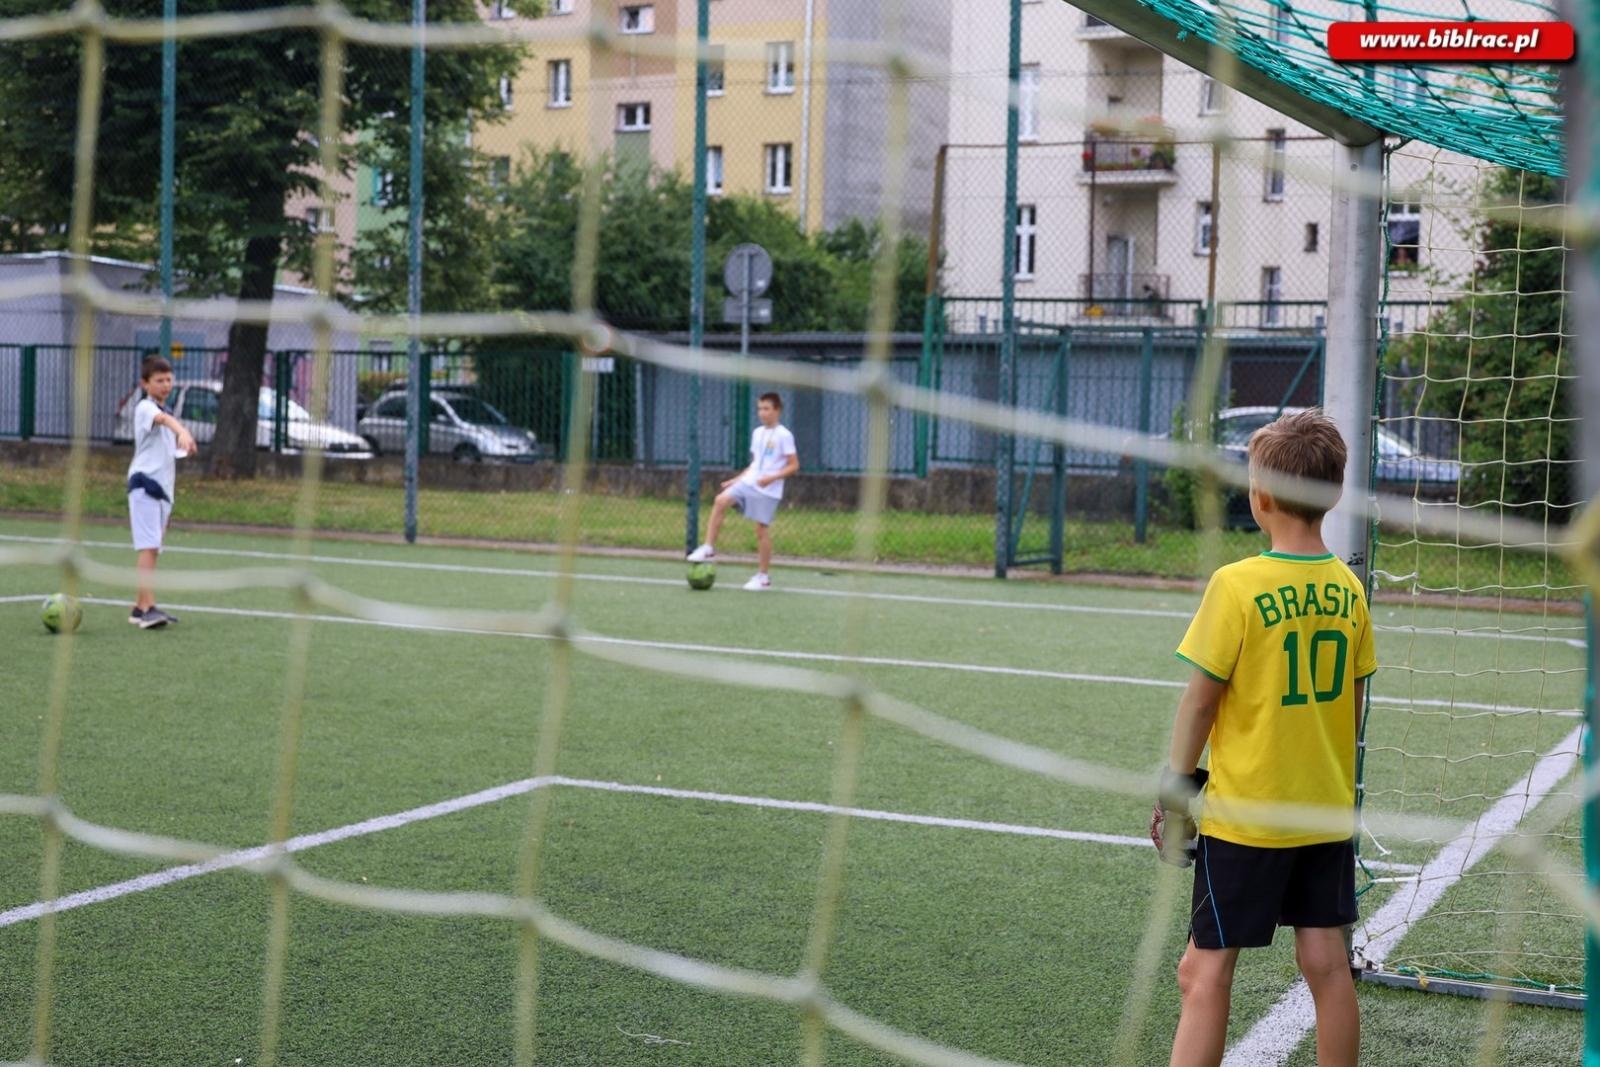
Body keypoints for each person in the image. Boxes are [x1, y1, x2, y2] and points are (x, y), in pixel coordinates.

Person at [1151, 408, 1376, 1067]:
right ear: (1332, 495)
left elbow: (1200, 701)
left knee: (1204, 971)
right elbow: (1351, 710)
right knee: (1327, 965)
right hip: (1324, 810)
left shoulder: (1237, 584)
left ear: (1260, 495)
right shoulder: (1349, 590)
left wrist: (1177, 785)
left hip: (1247, 817)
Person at [686, 392, 799, 590]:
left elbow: (794, 465)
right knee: (721, 500)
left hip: (768, 490)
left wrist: (771, 478)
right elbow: (755, 463)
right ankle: (708, 548)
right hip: (749, 482)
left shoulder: (784, 435)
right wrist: (737, 479)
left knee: (761, 531)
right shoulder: (757, 433)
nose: (762, 413)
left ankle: (763, 577)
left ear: (777, 410)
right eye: (759, 409)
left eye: (766, 409)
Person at [127, 355, 197, 629]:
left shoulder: (162, 411)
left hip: (162, 490)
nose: (166, 384)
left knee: (153, 549)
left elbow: (167, 447)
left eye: (169, 379)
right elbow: (164, 420)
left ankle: (138, 607)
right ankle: (148, 608)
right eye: (159, 380)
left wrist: (185, 445)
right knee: (148, 548)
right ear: (145, 384)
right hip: (145, 485)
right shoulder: (146, 408)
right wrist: (182, 430)